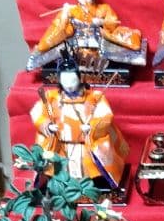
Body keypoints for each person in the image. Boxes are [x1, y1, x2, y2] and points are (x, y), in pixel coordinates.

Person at [29, 53, 129, 189]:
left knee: (89, 167)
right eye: (65, 81)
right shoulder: (50, 97)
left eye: (73, 80)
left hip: (86, 143)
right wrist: (48, 125)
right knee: (61, 167)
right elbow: (37, 113)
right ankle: (63, 185)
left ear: (79, 78)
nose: (69, 85)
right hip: (61, 144)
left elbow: (105, 115)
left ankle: (89, 186)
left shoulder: (95, 97)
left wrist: (91, 126)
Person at [27, 0, 146, 76]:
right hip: (76, 45)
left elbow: (113, 24)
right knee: (56, 53)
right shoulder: (71, 10)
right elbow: (61, 30)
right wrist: (64, 16)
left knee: (125, 51)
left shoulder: (103, 8)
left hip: (98, 43)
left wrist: (101, 22)